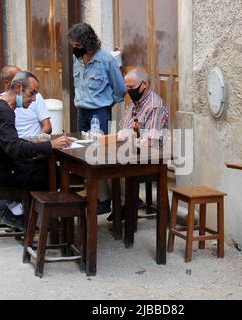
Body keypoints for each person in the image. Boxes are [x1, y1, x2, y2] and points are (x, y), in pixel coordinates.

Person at [0, 71, 72, 228]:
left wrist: (36, 150)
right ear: (18, 88)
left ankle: (29, 212)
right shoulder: (3, 111)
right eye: (32, 93)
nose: (34, 99)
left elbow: (9, 144)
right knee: (50, 172)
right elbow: (14, 148)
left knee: (40, 165)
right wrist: (50, 145)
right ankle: (26, 215)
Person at [68, 23, 127, 214]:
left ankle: (104, 200)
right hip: (81, 111)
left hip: (99, 112)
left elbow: (120, 89)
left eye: (77, 44)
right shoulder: (76, 58)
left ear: (87, 42)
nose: (75, 48)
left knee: (99, 155)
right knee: (82, 153)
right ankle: (91, 193)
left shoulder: (105, 60)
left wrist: (106, 105)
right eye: (73, 45)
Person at [108, 68, 170, 222]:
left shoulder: (155, 105)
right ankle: (119, 204)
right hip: (132, 151)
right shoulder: (134, 102)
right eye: (126, 87)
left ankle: (127, 206)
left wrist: (128, 138)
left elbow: (150, 142)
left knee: (115, 168)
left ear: (144, 85)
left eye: (131, 87)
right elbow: (124, 128)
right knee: (100, 165)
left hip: (152, 157)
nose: (128, 91)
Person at [0, 65, 52, 139]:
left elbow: (47, 126)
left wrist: (37, 141)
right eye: (18, 77)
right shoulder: (1, 106)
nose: (34, 98)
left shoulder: (35, 97)